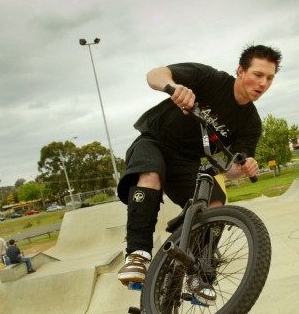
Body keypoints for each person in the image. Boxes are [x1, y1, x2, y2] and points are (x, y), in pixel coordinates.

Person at [115, 44, 282, 300]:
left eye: (269, 78)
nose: (263, 83)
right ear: (240, 71)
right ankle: (138, 255)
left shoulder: (250, 122)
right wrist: (173, 87)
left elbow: (231, 171)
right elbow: (154, 74)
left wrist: (246, 167)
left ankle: (199, 272)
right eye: (258, 74)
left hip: (188, 161)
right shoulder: (210, 79)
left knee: (216, 201)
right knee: (150, 175)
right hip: (155, 141)